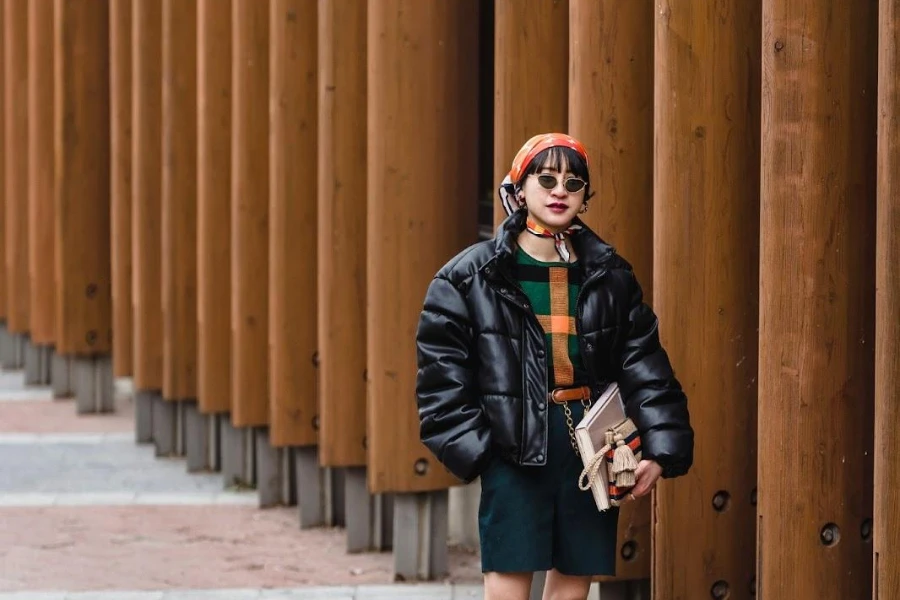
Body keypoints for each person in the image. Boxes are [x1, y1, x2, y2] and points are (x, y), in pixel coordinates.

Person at [415, 133, 693, 600]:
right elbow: (441, 379)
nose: (559, 190)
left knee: (573, 585)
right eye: (546, 179)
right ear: (519, 190)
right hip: (512, 445)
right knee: (507, 581)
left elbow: (645, 365)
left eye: (573, 181)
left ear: (585, 197)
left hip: (592, 448)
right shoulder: (468, 278)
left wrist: (661, 450)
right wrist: (482, 451)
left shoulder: (610, 275)